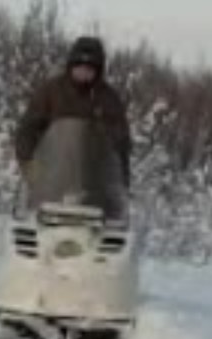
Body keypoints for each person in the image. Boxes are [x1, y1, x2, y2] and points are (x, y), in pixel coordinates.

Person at [12, 35, 131, 214]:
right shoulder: (51, 92)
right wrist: (29, 164)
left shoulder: (108, 99)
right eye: (79, 66)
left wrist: (120, 182)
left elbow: (121, 142)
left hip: (95, 185)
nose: (83, 72)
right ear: (71, 65)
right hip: (51, 182)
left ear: (98, 70)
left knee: (108, 230)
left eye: (89, 68)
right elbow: (28, 129)